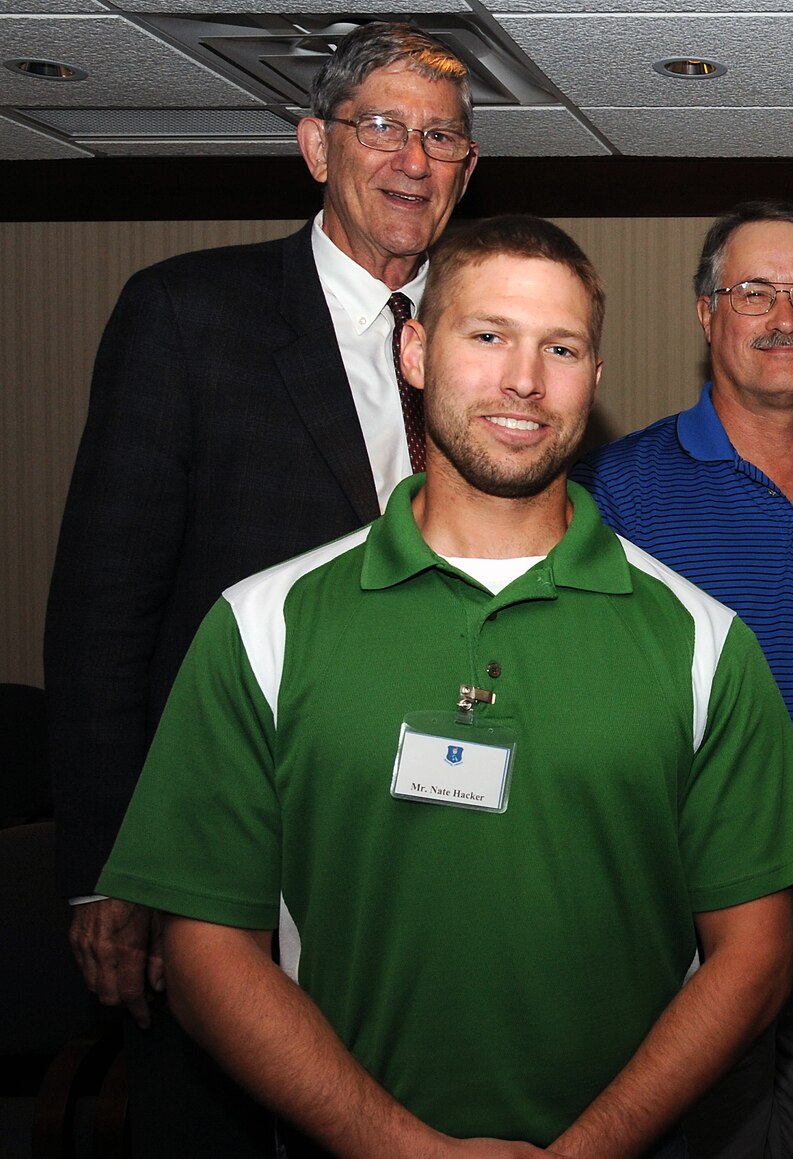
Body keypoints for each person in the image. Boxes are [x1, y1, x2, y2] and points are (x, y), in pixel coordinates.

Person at [94, 215, 793, 1158]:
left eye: (559, 347)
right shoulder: (260, 625)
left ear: (594, 378)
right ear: (414, 348)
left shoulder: (705, 642)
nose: (524, 379)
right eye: (487, 335)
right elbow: (204, 957)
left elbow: (756, 961)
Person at [44, 21, 478, 1154]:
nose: (412, 159)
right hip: (222, 858)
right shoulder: (187, 314)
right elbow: (101, 618)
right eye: (381, 125)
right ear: (312, 144)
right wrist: (107, 874)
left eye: (442, 136)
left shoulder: (490, 338)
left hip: (425, 855)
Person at [574, 201, 793, 1159]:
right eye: (753, 291)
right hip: (677, 940)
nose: (784, 316)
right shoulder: (614, 491)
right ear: (706, 314)